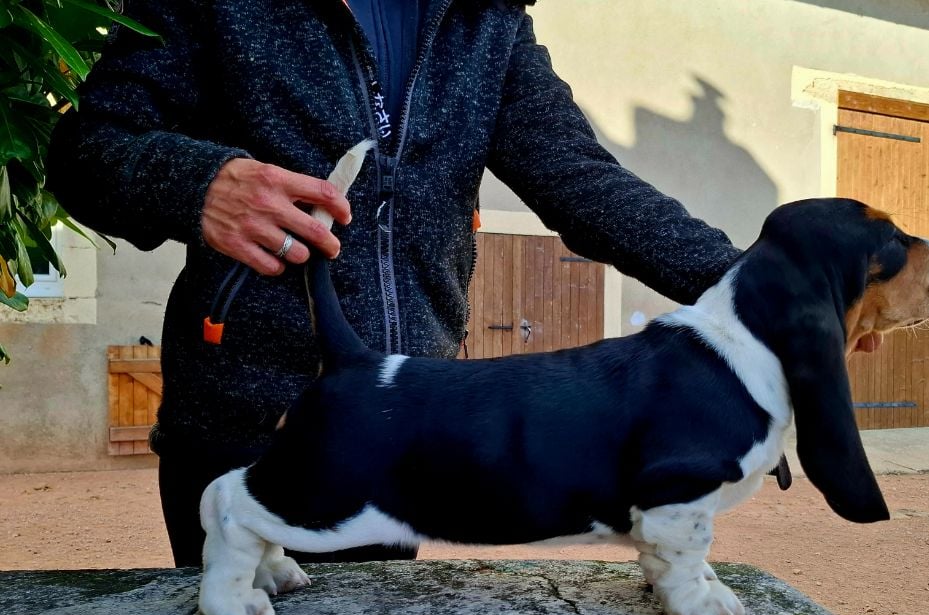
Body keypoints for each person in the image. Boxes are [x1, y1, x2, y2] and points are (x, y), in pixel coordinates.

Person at [47, 0, 746, 567]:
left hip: (404, 428)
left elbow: (583, 180)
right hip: (242, 419)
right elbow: (85, 151)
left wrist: (763, 288)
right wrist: (201, 184)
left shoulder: (488, 19)